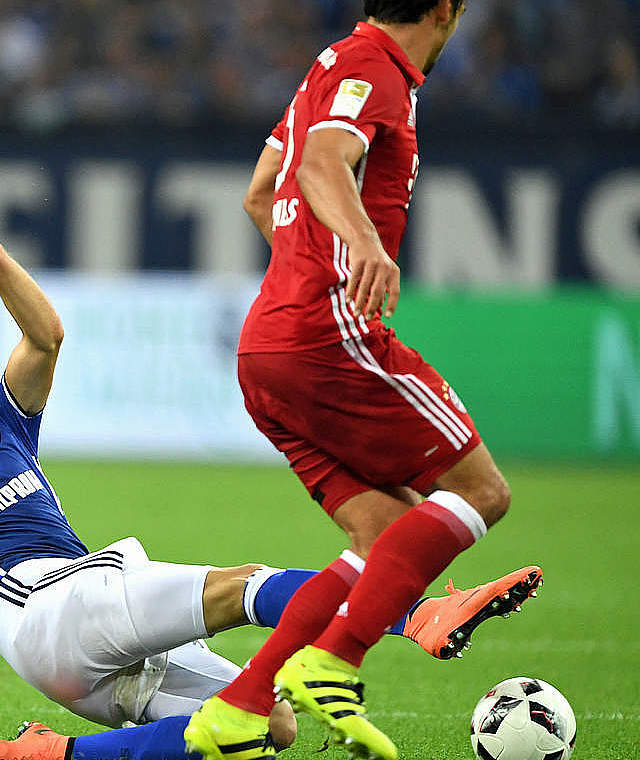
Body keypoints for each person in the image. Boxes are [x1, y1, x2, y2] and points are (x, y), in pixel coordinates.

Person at [0, 206, 539, 758]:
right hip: (37, 608)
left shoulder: (1, 428)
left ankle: (56, 754)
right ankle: (417, 611)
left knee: (272, 727)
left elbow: (45, 337)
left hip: (82, 630)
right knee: (240, 586)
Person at [184, 3, 526, 759]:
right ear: (445, 10)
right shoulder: (375, 68)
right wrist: (361, 247)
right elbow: (319, 162)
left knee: (381, 536)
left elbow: (260, 188)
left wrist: (306, 265)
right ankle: (335, 659)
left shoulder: (327, 68)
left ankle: (240, 704)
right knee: (481, 492)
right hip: (325, 336)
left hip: (264, 346)